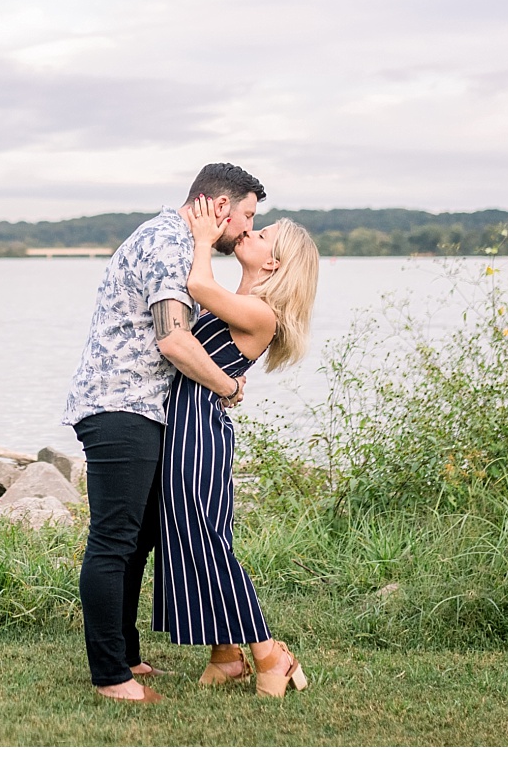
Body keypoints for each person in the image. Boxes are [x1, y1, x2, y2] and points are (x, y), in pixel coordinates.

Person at [60, 163, 266, 704]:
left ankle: (124, 652)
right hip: (119, 405)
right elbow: (174, 340)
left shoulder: (179, 241)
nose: (246, 229)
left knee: (140, 536)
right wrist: (227, 386)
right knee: (113, 540)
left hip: (141, 407)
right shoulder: (168, 244)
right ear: (218, 206)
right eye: (246, 216)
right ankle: (111, 677)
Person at [151, 197, 320, 697]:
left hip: (199, 428)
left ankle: (270, 653)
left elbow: (196, 285)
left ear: (274, 263)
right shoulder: (243, 299)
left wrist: (203, 238)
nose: (249, 233)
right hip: (189, 424)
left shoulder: (260, 313)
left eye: (262, 235)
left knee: (203, 538)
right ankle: (226, 656)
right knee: (191, 537)